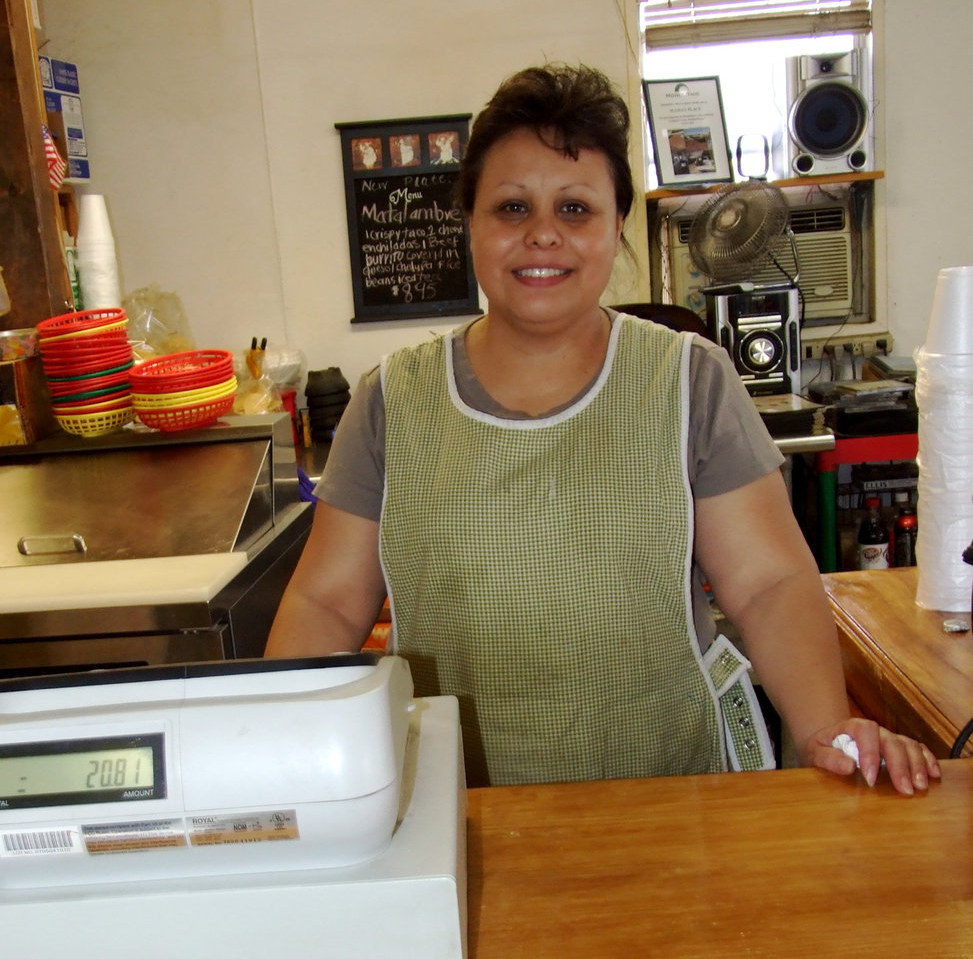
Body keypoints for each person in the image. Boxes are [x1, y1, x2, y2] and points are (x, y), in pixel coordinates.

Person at [266, 63, 940, 797]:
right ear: (470, 225)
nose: (543, 236)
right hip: (455, 807)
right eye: (512, 209)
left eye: (576, 209)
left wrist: (822, 729)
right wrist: (271, 742)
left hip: (671, 791)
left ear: (616, 225)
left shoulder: (688, 381)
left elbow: (767, 585)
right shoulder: (394, 400)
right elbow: (326, 602)